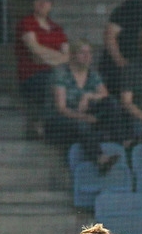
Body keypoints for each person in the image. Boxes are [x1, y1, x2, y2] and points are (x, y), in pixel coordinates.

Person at [45, 40, 124, 169]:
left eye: (89, 53)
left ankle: (120, 141)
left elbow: (105, 95)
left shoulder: (92, 74)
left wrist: (88, 96)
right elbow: (61, 108)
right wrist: (84, 117)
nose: (87, 56)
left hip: (84, 116)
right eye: (82, 52)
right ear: (72, 55)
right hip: (59, 120)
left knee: (110, 103)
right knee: (82, 124)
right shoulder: (61, 73)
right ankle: (100, 159)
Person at [15, 0, 69, 137]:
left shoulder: (57, 29)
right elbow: (35, 50)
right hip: (32, 77)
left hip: (54, 75)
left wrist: (46, 57)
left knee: (61, 77)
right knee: (57, 77)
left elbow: (68, 57)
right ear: (32, 3)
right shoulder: (27, 23)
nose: (42, 3)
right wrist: (58, 57)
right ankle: (42, 124)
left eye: (46, 0)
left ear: (51, 4)